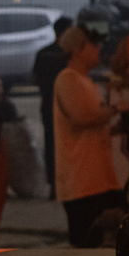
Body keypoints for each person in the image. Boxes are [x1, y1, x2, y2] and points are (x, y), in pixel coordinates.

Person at [53, 25, 122, 247]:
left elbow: (93, 126)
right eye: (93, 44)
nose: (98, 48)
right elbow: (81, 117)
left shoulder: (86, 81)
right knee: (86, 248)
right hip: (81, 184)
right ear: (77, 49)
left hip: (97, 180)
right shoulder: (68, 79)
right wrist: (117, 108)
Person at [32, 14, 74, 194]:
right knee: (67, 145)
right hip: (67, 107)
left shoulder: (43, 53)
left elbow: (36, 77)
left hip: (48, 105)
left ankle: (53, 185)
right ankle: (66, 182)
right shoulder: (69, 56)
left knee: (50, 145)